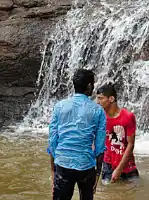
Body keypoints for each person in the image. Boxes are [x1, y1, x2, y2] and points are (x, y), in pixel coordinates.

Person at [47, 69, 106, 200]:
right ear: (89, 86)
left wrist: (53, 171)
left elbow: (52, 141)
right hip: (86, 166)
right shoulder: (98, 110)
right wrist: (97, 176)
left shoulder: (60, 106)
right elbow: (100, 147)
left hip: (63, 164)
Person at [95, 83, 139, 184]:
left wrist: (119, 169)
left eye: (101, 98)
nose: (98, 102)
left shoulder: (128, 116)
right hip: (108, 165)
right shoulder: (100, 117)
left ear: (111, 99)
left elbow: (130, 144)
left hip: (127, 165)